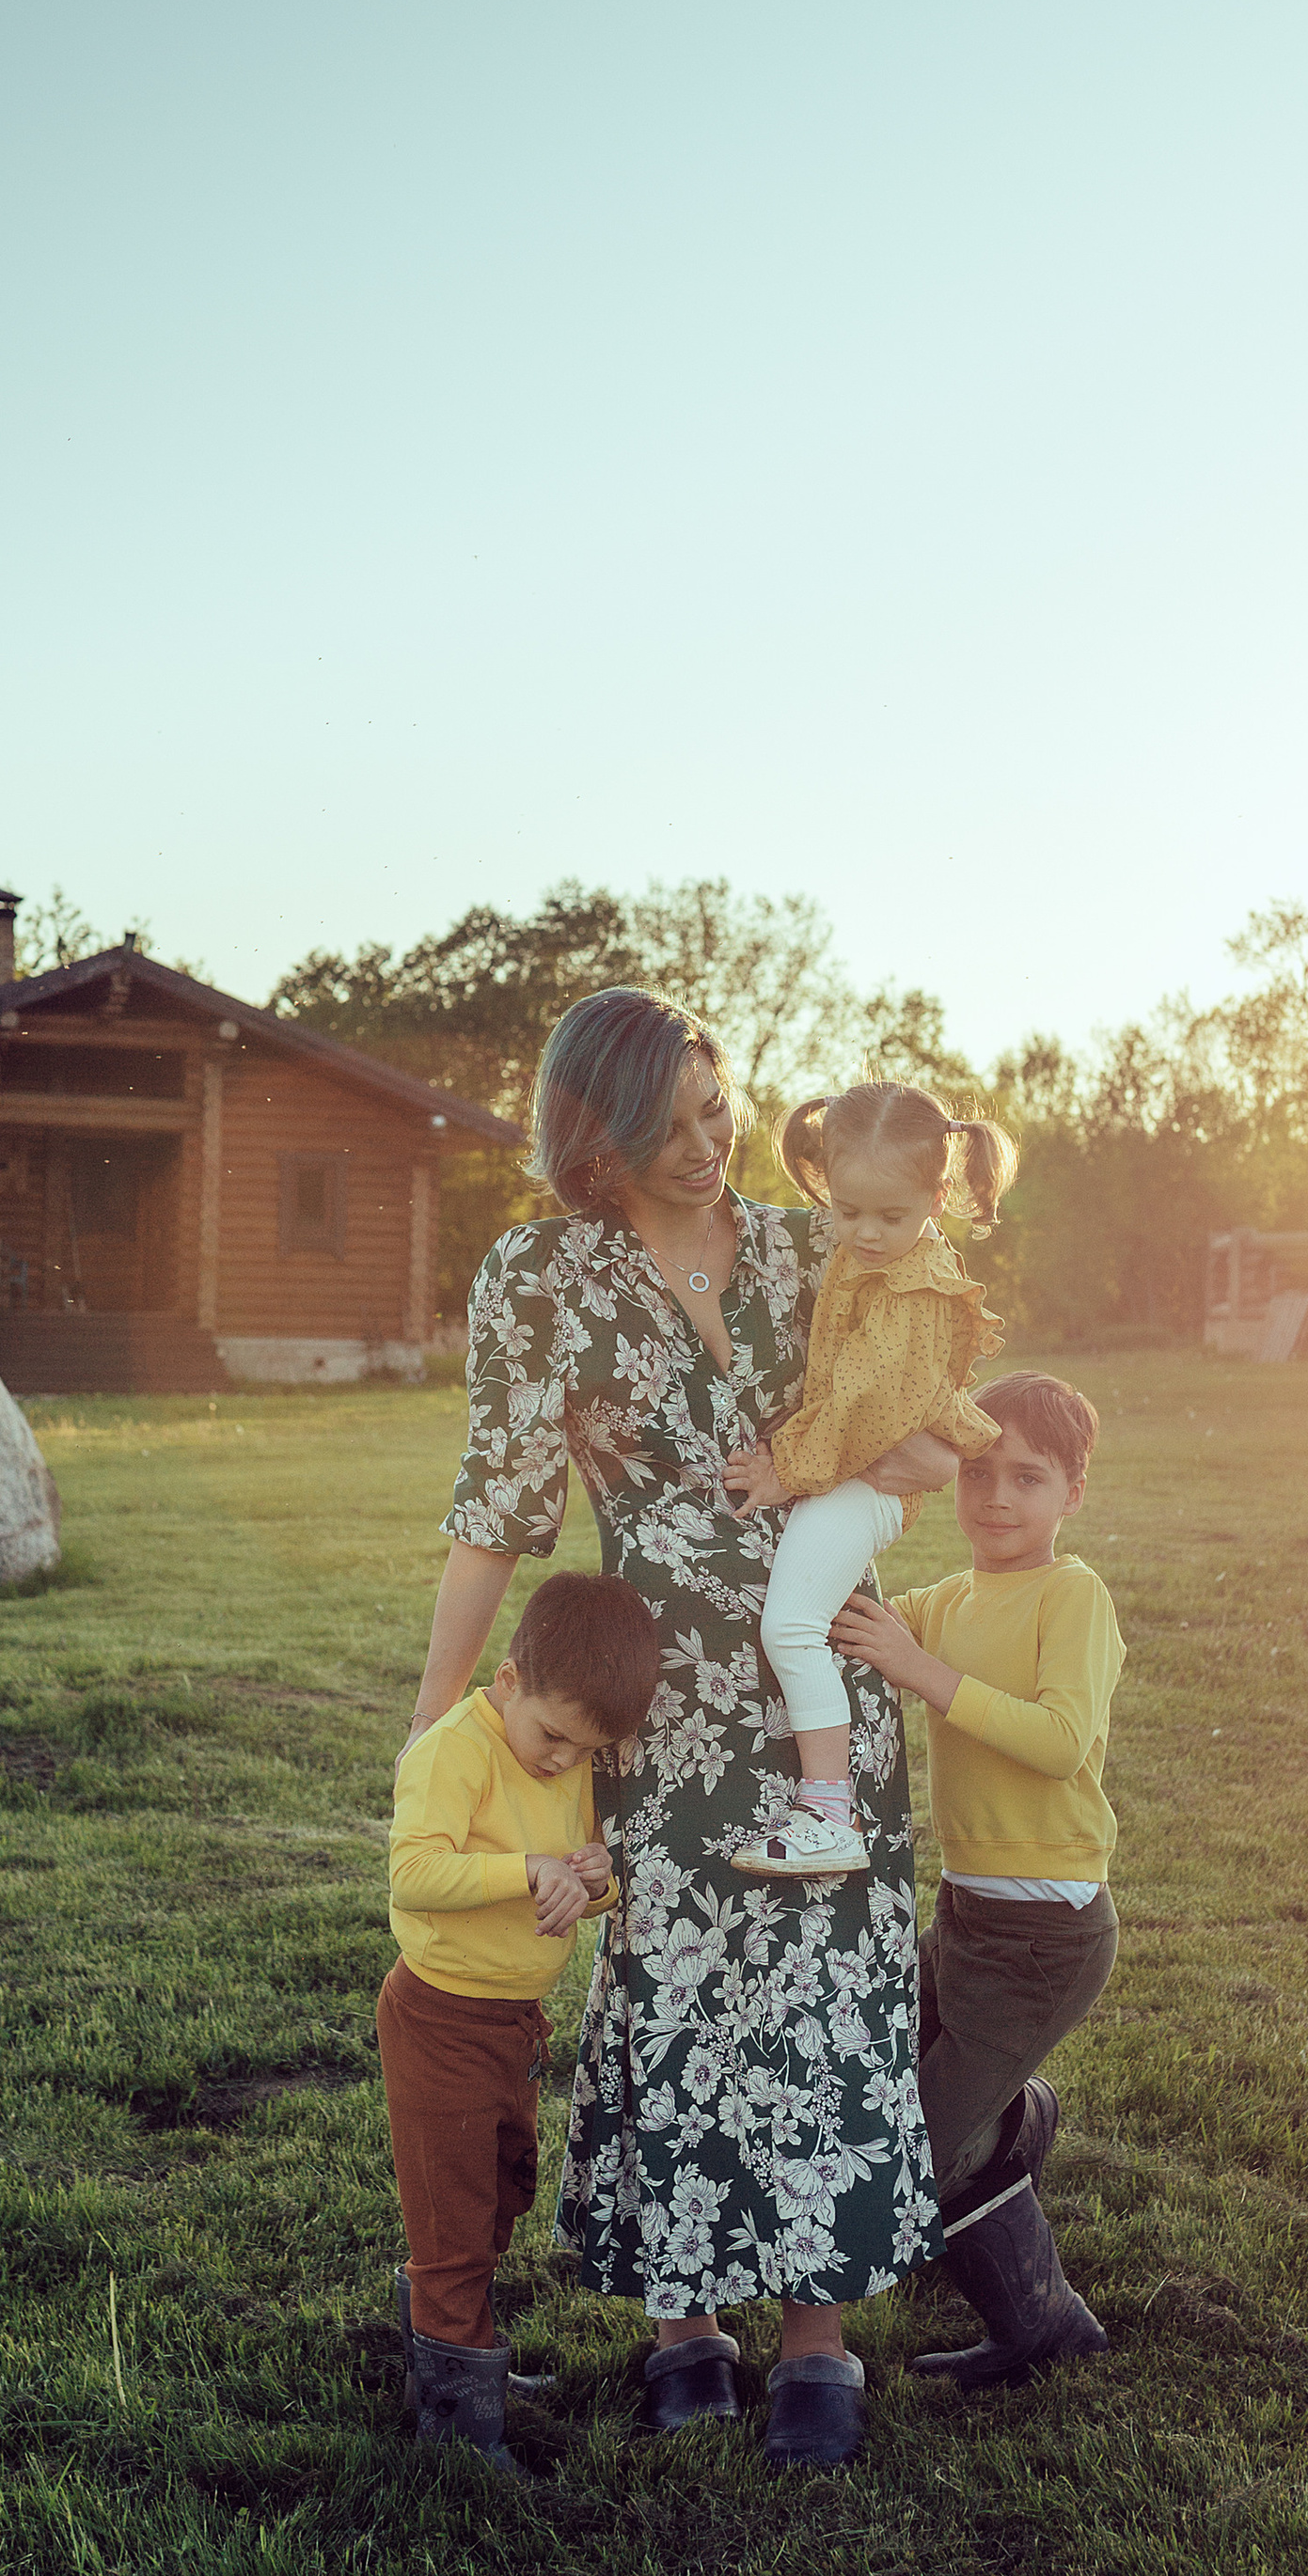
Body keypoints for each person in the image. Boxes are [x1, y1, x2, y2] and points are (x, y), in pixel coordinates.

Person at [411, 989, 953, 2477]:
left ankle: (816, 2348)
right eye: (665, 1132)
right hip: (660, 1705)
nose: (707, 1148)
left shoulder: (810, 1244)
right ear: (594, 1145)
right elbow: (495, 1515)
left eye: (715, 1112)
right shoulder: (542, 1277)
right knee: (679, 1995)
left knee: (830, 1991)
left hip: (821, 1682)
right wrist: (429, 1720)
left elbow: (922, 1393)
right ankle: (682, 2330)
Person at [829, 1370, 1123, 2386]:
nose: (998, 1497)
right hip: (966, 1918)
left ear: (1072, 1494)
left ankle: (1041, 2327)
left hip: (1046, 1938)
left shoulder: (1071, 1595)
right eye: (980, 1473)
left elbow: (1057, 1740)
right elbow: (853, 1619)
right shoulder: (945, 1600)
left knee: (919, 2147)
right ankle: (1017, 2112)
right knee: (882, 2069)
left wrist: (924, 1674)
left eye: (1029, 1478)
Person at [380, 1570, 658, 2463]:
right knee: (452, 2211)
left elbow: (590, 1870)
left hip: (514, 2026)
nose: (560, 1762)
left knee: (498, 2194)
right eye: (551, 1735)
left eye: (583, 1751)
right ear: (507, 1681)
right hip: (439, 2016)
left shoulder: (563, 1757)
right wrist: (526, 1868)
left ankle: (448, 2349)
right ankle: (459, 2424)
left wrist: (591, 1878)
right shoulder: (457, 1748)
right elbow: (413, 1873)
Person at [721, 1084, 1013, 1877]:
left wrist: (785, 1471)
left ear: (938, 1196)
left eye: (890, 1216)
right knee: (795, 1622)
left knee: (790, 1627)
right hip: (859, 1465)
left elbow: (866, 1398)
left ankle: (828, 1812)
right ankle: (825, 1807)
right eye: (848, 1211)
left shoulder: (917, 1283)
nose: (865, 1233)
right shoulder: (869, 1250)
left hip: (870, 1476)